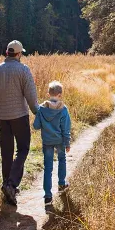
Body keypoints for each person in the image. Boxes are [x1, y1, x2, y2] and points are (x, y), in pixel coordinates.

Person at [0, 40, 39, 206]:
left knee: (6, 152)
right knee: (23, 149)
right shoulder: (23, 70)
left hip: (3, 118)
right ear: (19, 54)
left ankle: (8, 188)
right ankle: (11, 184)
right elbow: (31, 96)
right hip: (20, 117)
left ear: (7, 53)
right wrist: (38, 113)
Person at [33, 80, 72, 208]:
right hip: (60, 141)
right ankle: (61, 184)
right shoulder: (63, 109)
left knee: (48, 168)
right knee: (62, 160)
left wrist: (42, 120)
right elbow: (66, 129)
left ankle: (48, 196)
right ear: (60, 94)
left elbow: (36, 126)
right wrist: (67, 143)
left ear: (49, 93)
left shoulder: (41, 109)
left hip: (47, 141)